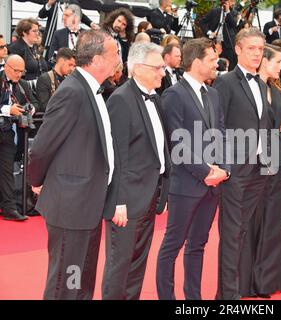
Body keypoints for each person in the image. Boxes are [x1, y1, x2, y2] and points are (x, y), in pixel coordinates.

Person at [28, 30, 121, 299]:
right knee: (66, 284)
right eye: (114, 53)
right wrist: (37, 181)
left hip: (87, 204)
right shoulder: (72, 92)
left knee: (80, 282)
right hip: (71, 206)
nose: (118, 58)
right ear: (96, 59)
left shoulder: (89, 90)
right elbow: (42, 146)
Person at [157, 38, 229, 300]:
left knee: (198, 245)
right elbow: (176, 140)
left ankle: (193, 300)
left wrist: (224, 169)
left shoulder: (213, 94)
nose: (216, 64)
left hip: (212, 185)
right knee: (172, 245)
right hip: (186, 184)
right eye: (212, 59)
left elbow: (221, 133)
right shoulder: (174, 94)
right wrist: (205, 172)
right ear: (196, 62)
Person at [101, 42, 170, 300]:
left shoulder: (156, 98)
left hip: (149, 195)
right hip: (127, 200)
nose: (162, 73)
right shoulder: (120, 99)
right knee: (119, 266)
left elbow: (160, 147)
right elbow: (116, 156)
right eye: (158, 68)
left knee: (137, 264)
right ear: (138, 68)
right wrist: (117, 200)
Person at [213, 27, 271, 300]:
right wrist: (223, 165)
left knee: (242, 232)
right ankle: (228, 296)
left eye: (260, 49)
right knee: (232, 234)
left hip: (259, 170)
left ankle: (231, 291)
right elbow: (217, 126)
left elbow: (264, 125)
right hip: (235, 172)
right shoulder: (225, 83)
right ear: (237, 49)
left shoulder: (261, 84)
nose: (257, 54)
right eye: (251, 49)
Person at [239, 44, 281, 298]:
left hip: (275, 163)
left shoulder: (276, 92)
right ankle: (244, 282)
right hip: (251, 166)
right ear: (263, 61)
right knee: (250, 224)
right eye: (278, 62)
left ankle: (264, 282)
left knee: (271, 224)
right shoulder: (249, 89)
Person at [0, 55, 38, 221]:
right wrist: (9, 110)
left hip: (8, 133)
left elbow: (36, 102)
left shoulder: (22, 85)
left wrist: (30, 109)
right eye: (16, 71)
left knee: (7, 171)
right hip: (6, 124)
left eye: (22, 72)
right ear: (7, 66)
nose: (19, 75)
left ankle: (9, 208)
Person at [199, 0, 243, 70]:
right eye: (231, 1)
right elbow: (202, 22)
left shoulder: (233, 13)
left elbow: (233, 24)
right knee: (212, 63)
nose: (233, 3)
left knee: (230, 65)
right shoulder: (214, 11)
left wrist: (228, 11)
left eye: (234, 1)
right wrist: (209, 32)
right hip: (214, 42)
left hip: (228, 44)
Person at [8, 18, 49, 85]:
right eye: (34, 31)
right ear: (24, 32)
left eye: (38, 31)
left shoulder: (34, 46)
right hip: (26, 89)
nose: (37, 33)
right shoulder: (16, 48)